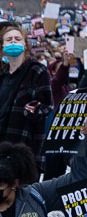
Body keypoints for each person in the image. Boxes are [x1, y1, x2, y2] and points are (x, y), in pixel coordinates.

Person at [0, 21, 54, 155]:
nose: (13, 42)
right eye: (9, 39)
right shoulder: (2, 74)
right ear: (3, 46)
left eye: (17, 39)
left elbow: (47, 106)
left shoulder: (37, 70)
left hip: (23, 144)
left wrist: (34, 110)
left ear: (25, 44)